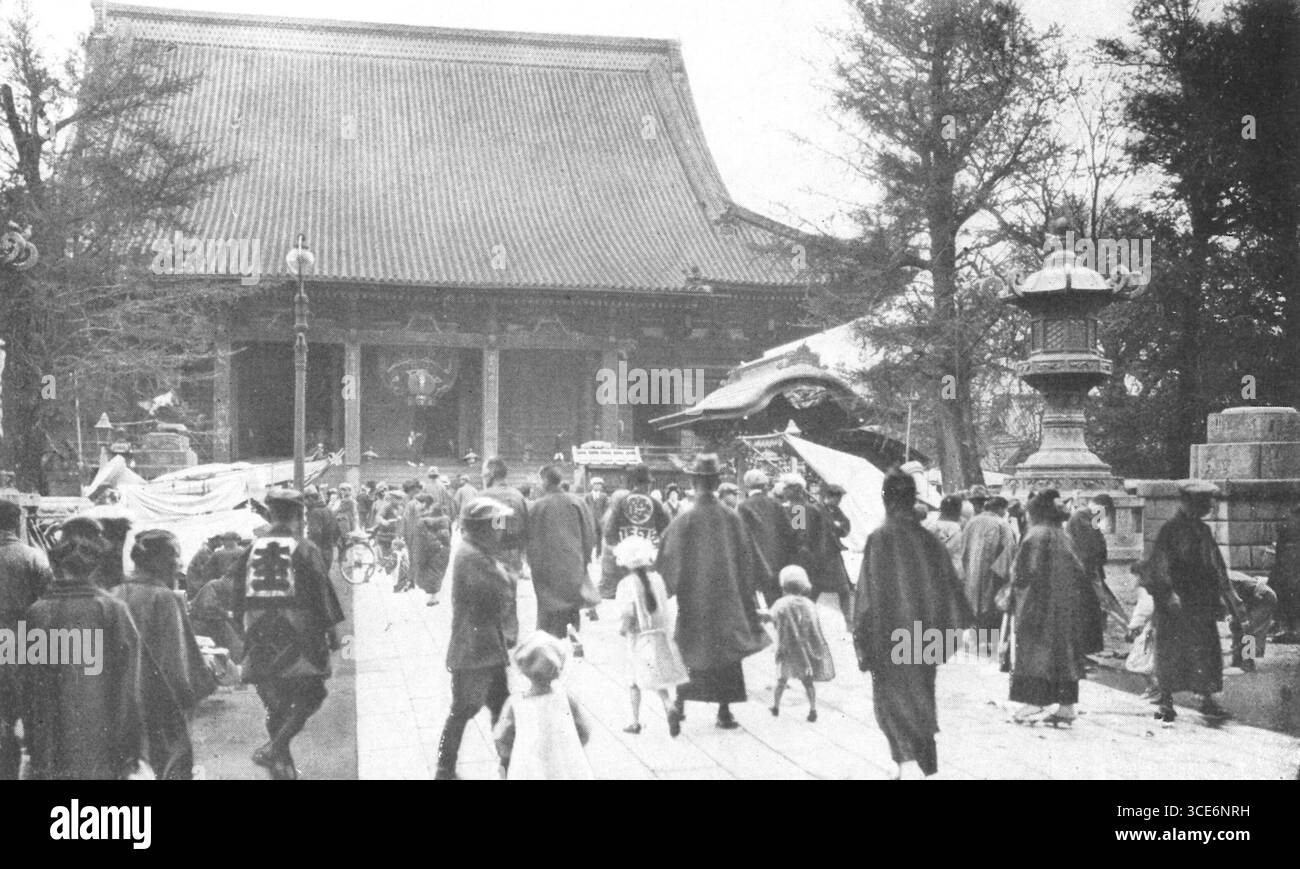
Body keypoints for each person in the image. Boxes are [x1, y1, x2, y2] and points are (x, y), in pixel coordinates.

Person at [854, 470, 972, 779]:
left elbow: (867, 596)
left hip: (890, 635)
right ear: (913, 499)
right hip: (927, 635)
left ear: (886, 499)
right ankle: (925, 765)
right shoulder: (929, 540)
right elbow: (953, 588)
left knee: (892, 699)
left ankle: (907, 763)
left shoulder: (879, 539)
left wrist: (863, 641)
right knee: (922, 695)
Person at [232, 488, 346, 780]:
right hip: (299, 637)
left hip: (259, 637)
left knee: (276, 705)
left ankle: (282, 766)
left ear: (270, 514)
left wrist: (240, 633)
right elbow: (322, 593)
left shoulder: (252, 549)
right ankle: (277, 749)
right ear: (299, 515)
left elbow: (236, 596)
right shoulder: (305, 548)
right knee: (314, 693)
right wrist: (332, 632)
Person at [21, 517, 146, 779]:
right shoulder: (114, 611)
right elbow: (128, 689)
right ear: (99, 562)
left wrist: (35, 747)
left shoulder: (37, 613)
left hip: (50, 747)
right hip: (103, 745)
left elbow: (30, 688)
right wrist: (129, 749)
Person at [656, 454, 771, 733]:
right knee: (726, 656)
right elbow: (752, 559)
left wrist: (662, 591)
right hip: (728, 600)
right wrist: (757, 589)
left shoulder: (684, 519)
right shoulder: (732, 518)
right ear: (718, 481)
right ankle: (724, 711)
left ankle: (681, 704)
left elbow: (667, 561)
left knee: (691, 649)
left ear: (694, 482)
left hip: (694, 601)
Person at [113, 529, 216, 780]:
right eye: (174, 556)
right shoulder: (164, 597)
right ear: (157, 560)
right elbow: (175, 663)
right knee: (169, 765)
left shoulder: (115, 591)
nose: (177, 564)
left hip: (119, 701)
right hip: (159, 701)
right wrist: (189, 697)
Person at [1142, 480, 1245, 723]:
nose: (1209, 506)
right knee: (1172, 650)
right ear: (1191, 502)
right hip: (1175, 602)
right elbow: (1160, 565)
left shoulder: (1203, 530)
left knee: (1206, 650)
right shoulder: (1171, 530)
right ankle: (1166, 701)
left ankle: (1207, 699)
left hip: (1201, 601)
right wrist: (1168, 593)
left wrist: (1225, 594)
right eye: (1204, 502)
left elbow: (1215, 565)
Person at [435, 498, 516, 780]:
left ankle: (509, 761)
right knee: (462, 712)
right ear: (480, 528)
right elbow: (499, 598)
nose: (499, 530)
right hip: (475, 651)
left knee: (500, 706)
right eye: (494, 525)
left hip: (484, 649)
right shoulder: (472, 556)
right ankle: (444, 769)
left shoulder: (476, 551)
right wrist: (507, 578)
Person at [1006, 489, 1088, 726]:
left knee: (1034, 653)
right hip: (1065, 606)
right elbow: (1078, 570)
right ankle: (1066, 706)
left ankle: (1034, 701)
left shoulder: (1034, 536)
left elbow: (1023, 573)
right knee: (1064, 655)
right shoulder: (1063, 536)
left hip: (1037, 604)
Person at [492, 631, 594, 780]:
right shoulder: (566, 699)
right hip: (564, 766)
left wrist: (509, 754)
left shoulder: (516, 703)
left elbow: (501, 735)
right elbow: (584, 730)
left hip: (528, 766)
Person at [0, 498, 53, 779]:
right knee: (28, 711)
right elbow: (47, 603)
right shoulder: (33, 557)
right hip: (25, 644)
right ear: (17, 522)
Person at [613, 536, 687, 735]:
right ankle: (668, 704)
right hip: (659, 634)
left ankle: (634, 721)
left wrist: (622, 629)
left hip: (638, 637)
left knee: (634, 679)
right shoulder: (657, 579)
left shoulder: (626, 584)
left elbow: (628, 612)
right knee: (655, 675)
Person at [781, 474, 853, 627]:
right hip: (821, 556)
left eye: (787, 487)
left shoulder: (801, 508)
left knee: (837, 589)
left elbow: (799, 534)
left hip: (824, 556)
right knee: (817, 590)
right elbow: (805, 533)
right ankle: (807, 621)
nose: (784, 491)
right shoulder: (811, 508)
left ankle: (846, 621)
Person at [769, 565, 834, 722]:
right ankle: (812, 709)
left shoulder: (781, 603)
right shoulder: (809, 604)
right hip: (804, 650)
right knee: (807, 682)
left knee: (781, 680)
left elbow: (772, 618)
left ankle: (776, 706)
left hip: (786, 648)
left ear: (784, 586)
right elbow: (815, 627)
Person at [599, 464, 671, 599]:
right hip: (648, 559)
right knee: (647, 595)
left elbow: (609, 533)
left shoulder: (621, 502)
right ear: (649, 484)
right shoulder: (656, 504)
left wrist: (619, 548)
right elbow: (666, 533)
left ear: (633, 483)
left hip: (626, 561)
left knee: (627, 600)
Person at [1065, 494, 1121, 663]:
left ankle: (1084, 653)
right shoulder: (1083, 516)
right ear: (1100, 506)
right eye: (1105, 512)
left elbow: (1098, 541)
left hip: (1088, 571)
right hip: (1084, 573)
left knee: (1090, 612)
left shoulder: (1088, 516)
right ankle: (1080, 654)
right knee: (1085, 612)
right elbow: (1092, 546)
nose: (1104, 517)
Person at [736, 469, 798, 607]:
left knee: (752, 602)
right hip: (776, 561)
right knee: (775, 600)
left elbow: (741, 536)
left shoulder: (743, 506)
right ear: (765, 485)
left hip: (753, 561)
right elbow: (788, 531)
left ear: (747, 485)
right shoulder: (775, 504)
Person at [958, 494, 1017, 633]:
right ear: (1001, 509)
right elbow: (1008, 553)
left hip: (971, 573)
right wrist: (1005, 579)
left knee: (973, 609)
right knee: (989, 611)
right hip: (991, 577)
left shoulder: (971, 522)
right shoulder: (1002, 524)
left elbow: (963, 549)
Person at [1269, 503, 1300, 642]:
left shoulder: (1285, 525)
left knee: (1284, 598)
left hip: (1285, 570)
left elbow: (1279, 551)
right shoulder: (1290, 527)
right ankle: (1292, 629)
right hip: (1292, 570)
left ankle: (1287, 629)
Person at [416, 506, 452, 606]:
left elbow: (423, 536)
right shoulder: (446, 520)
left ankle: (433, 595)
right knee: (437, 571)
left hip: (434, 548)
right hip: (443, 548)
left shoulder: (423, 521)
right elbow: (449, 534)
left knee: (433, 570)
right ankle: (433, 595)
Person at [303, 485, 340, 572]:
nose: (304, 503)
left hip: (317, 554)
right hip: (329, 552)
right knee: (324, 580)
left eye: (305, 500)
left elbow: (315, 534)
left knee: (314, 582)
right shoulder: (328, 510)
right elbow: (337, 531)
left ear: (311, 498)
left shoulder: (314, 513)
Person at [926, 494, 965, 574]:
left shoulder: (931, 526)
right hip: (953, 571)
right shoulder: (958, 528)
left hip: (933, 570)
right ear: (958, 510)